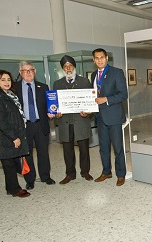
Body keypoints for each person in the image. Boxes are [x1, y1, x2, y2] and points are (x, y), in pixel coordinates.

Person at [0, 70, 30, 197]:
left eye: (8, 79)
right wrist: (14, 137)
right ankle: (15, 190)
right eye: (3, 79)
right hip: (5, 137)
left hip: (11, 134)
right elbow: (0, 121)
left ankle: (10, 188)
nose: (6, 82)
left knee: (12, 162)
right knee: (8, 164)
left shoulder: (9, 95)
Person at [50, 55, 94, 184]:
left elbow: (90, 102)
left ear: (74, 67)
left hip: (81, 121)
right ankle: (70, 174)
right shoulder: (57, 84)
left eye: (70, 65)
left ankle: (85, 171)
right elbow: (55, 103)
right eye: (65, 66)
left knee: (84, 149)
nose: (68, 68)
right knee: (67, 150)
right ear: (63, 69)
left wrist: (87, 112)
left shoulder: (84, 82)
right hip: (65, 121)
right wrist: (56, 113)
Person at [14, 61, 56, 189]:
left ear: (35, 71)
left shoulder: (43, 87)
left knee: (43, 152)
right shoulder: (14, 88)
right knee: (27, 154)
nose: (28, 73)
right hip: (24, 126)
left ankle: (45, 176)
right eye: (25, 71)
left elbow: (49, 105)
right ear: (20, 73)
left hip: (40, 124)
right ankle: (30, 179)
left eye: (30, 70)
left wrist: (52, 112)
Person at [92, 48, 128, 186]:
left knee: (117, 147)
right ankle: (106, 171)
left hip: (114, 116)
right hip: (100, 117)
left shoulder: (116, 72)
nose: (100, 60)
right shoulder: (93, 75)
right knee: (103, 147)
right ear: (94, 60)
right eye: (97, 58)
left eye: (102, 57)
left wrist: (106, 99)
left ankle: (121, 174)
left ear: (107, 58)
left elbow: (123, 94)